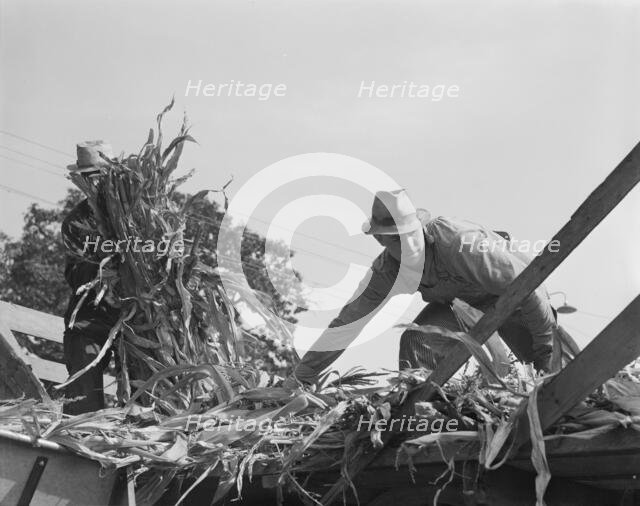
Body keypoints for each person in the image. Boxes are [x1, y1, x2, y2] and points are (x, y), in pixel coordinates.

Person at [287, 189, 558, 387]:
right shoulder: (387, 272)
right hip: (462, 309)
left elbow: (527, 288)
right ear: (381, 240)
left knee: (549, 374)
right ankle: (422, 410)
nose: (409, 244)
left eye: (410, 234)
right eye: (397, 239)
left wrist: (545, 350)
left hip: (516, 299)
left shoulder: (458, 243)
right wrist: (303, 376)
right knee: (417, 341)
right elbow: (347, 323)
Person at [62, 141, 120, 414]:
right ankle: (78, 448)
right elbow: (74, 273)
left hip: (137, 320)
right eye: (87, 176)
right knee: (83, 404)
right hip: (89, 319)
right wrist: (101, 270)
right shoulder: (75, 222)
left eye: (97, 174)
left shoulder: (137, 215)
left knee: (147, 395)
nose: (92, 181)